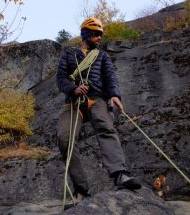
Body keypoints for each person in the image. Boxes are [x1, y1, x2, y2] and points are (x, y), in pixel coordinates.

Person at [56, 17, 141, 203]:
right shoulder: (69, 55)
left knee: (106, 128)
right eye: (96, 34)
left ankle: (120, 175)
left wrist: (115, 96)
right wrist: (73, 89)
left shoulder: (102, 56)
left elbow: (110, 77)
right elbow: (60, 78)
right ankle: (81, 190)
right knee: (65, 139)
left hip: (97, 98)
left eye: (100, 35)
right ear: (86, 34)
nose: (99, 38)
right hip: (73, 102)